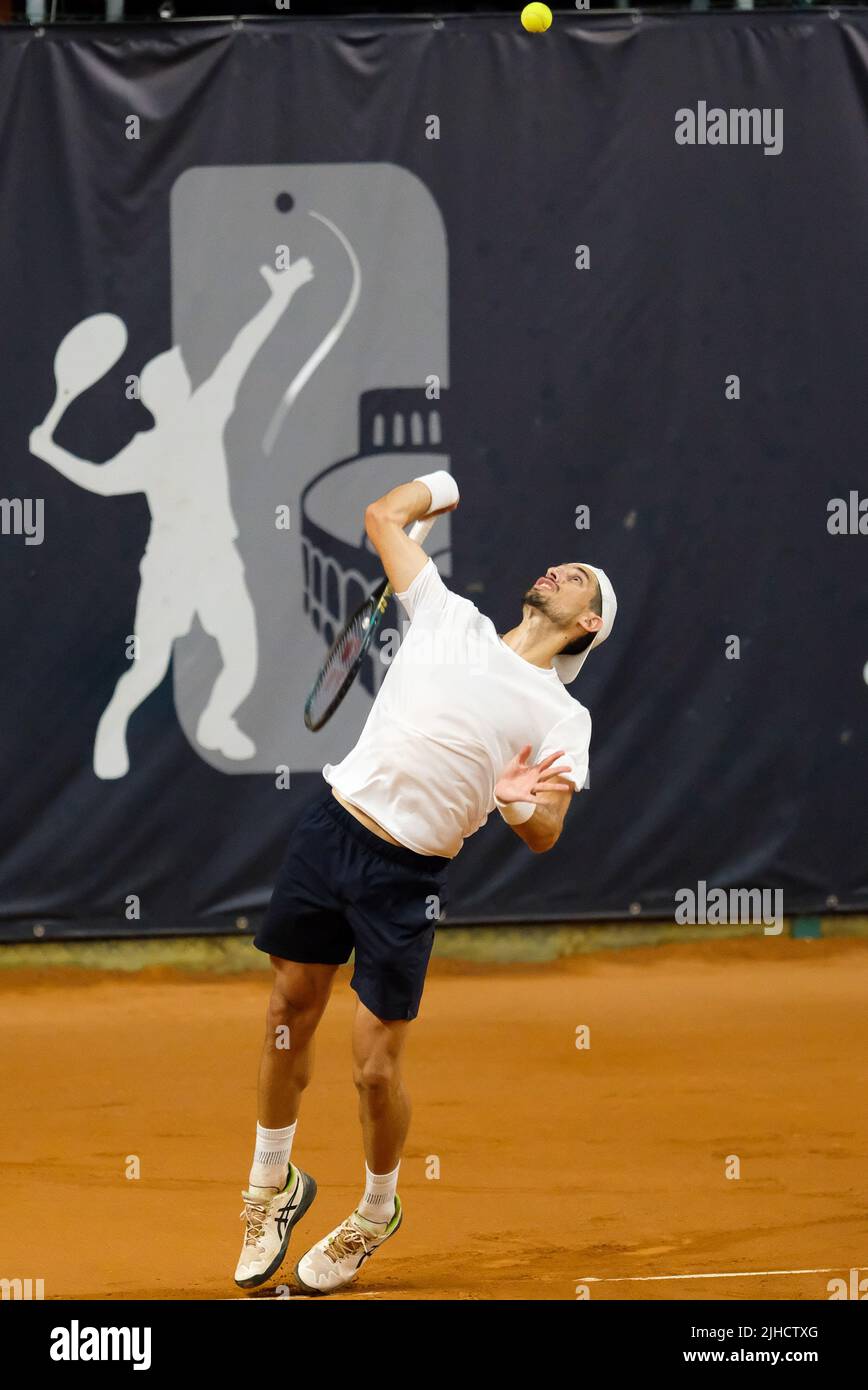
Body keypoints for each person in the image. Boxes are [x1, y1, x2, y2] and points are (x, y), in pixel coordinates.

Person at [235, 469, 617, 1295]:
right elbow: (381, 514)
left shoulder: (564, 717)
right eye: (557, 564)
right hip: (330, 828)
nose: (556, 571)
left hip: (405, 878)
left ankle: (376, 1210)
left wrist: (517, 807)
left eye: (576, 576)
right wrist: (442, 484)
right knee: (285, 1014)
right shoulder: (450, 616)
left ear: (587, 623)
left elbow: (547, 829)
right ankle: (269, 1189)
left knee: (374, 1069)